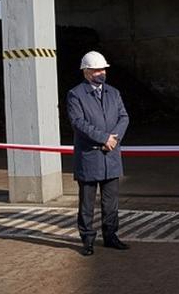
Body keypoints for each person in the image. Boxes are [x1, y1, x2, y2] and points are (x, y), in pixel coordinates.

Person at [66, 51, 130, 256]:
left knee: (111, 202)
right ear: (86, 72)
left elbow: (123, 117)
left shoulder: (114, 93)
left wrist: (114, 139)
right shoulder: (76, 95)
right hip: (90, 156)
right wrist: (104, 139)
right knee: (87, 203)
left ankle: (111, 236)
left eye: (103, 69)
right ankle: (87, 240)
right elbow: (78, 123)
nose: (101, 73)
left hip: (111, 156)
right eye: (96, 70)